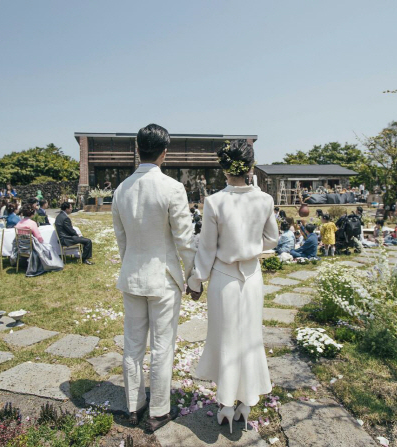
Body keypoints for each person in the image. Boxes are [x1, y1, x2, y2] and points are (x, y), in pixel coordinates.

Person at [111, 124, 199, 432]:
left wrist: (130, 266)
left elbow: (121, 239)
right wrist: (194, 278)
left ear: (137, 148)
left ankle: (133, 405)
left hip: (132, 275)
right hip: (162, 278)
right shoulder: (172, 188)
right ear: (164, 152)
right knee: (163, 346)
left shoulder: (120, 189)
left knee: (133, 344)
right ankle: (159, 410)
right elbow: (186, 241)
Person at [189, 138, 278, 434]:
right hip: (251, 277)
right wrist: (252, 248)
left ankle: (226, 405)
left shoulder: (215, 201)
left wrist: (196, 280)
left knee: (226, 339)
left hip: (224, 278)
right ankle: (246, 403)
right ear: (250, 166)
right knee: (250, 338)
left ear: (224, 168)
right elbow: (272, 240)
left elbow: (207, 248)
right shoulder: (264, 200)